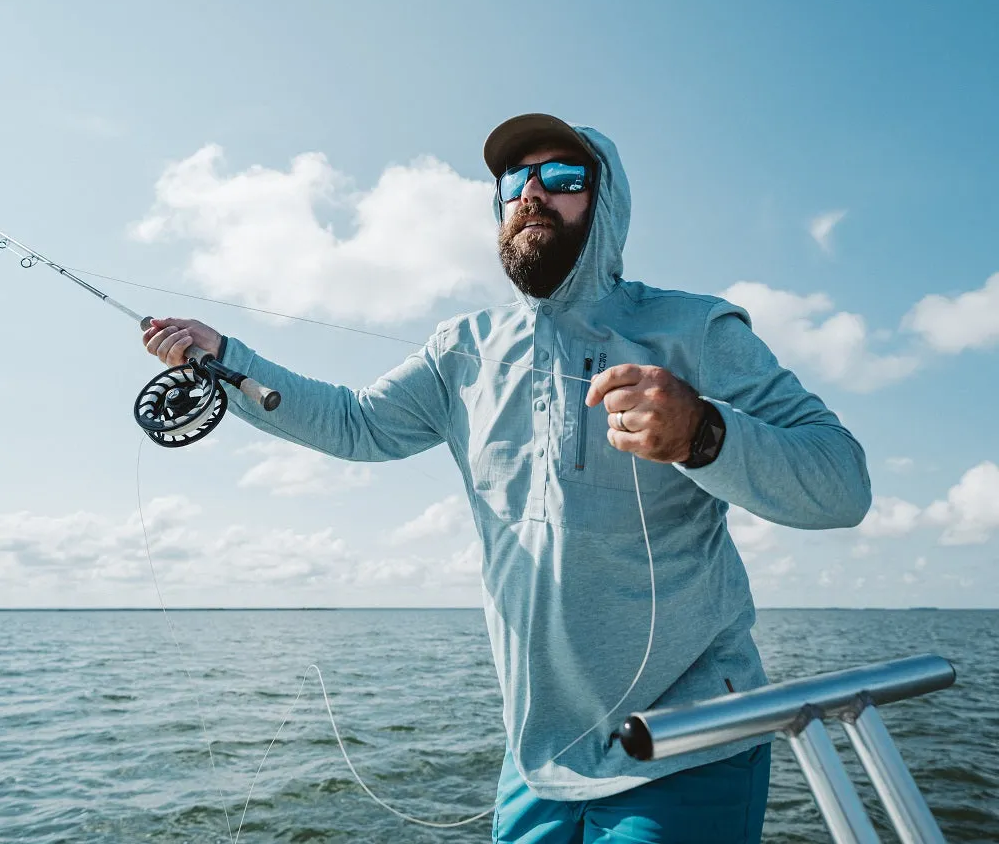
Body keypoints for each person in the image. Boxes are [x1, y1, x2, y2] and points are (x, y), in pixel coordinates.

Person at [143, 114, 872, 843]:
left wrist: (704, 433)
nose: (532, 193)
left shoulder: (697, 329)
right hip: (537, 758)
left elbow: (843, 482)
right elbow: (353, 423)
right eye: (515, 180)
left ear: (606, 202)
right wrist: (229, 359)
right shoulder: (460, 350)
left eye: (562, 178)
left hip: (684, 747)